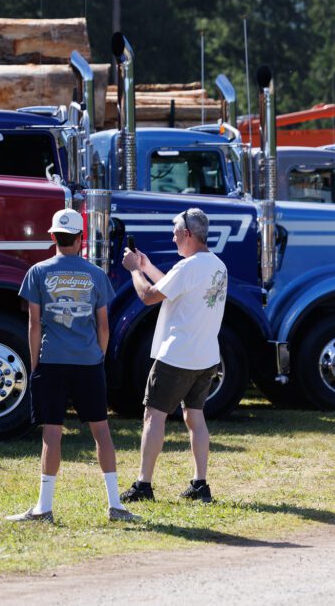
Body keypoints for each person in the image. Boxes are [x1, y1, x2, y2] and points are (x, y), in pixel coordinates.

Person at [7, 208, 140, 523]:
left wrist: (35, 361)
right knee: (101, 431)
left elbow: (34, 324)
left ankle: (44, 507)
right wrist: (98, 357)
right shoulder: (95, 274)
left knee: (52, 433)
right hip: (88, 362)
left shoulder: (37, 272)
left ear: (52, 236)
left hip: (51, 361)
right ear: (82, 240)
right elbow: (103, 327)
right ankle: (115, 505)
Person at [119, 208, 228, 504]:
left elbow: (149, 296)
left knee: (153, 416)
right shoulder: (216, 265)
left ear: (189, 235)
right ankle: (200, 484)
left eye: (176, 232)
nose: (173, 237)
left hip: (177, 355)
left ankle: (144, 484)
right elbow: (175, 287)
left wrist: (133, 270)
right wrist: (148, 266)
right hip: (205, 356)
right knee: (195, 417)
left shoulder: (189, 266)